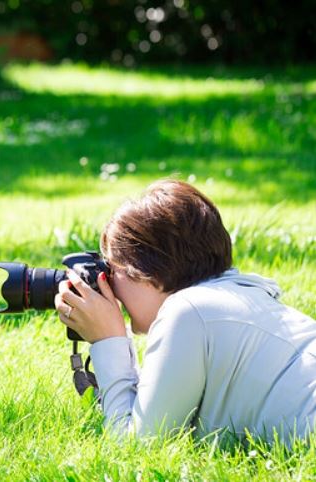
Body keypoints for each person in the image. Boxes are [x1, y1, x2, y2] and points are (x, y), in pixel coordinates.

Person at [55, 179, 316, 444]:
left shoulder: (188, 310)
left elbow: (139, 447)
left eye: (112, 269)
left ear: (146, 271)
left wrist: (107, 341)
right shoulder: (240, 296)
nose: (109, 284)